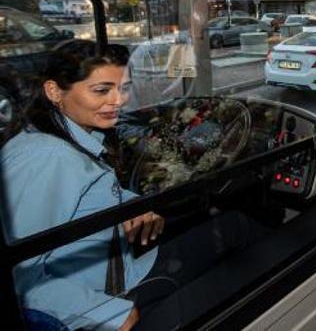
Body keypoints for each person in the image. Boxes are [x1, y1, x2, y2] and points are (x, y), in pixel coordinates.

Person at [1, 40, 258, 330]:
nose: (119, 101)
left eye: (123, 88)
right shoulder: (47, 158)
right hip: (111, 291)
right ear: (54, 91)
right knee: (236, 225)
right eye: (102, 90)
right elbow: (17, 274)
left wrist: (132, 205)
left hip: (118, 261)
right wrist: (108, 313)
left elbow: (85, 193)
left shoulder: (58, 137)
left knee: (204, 220)